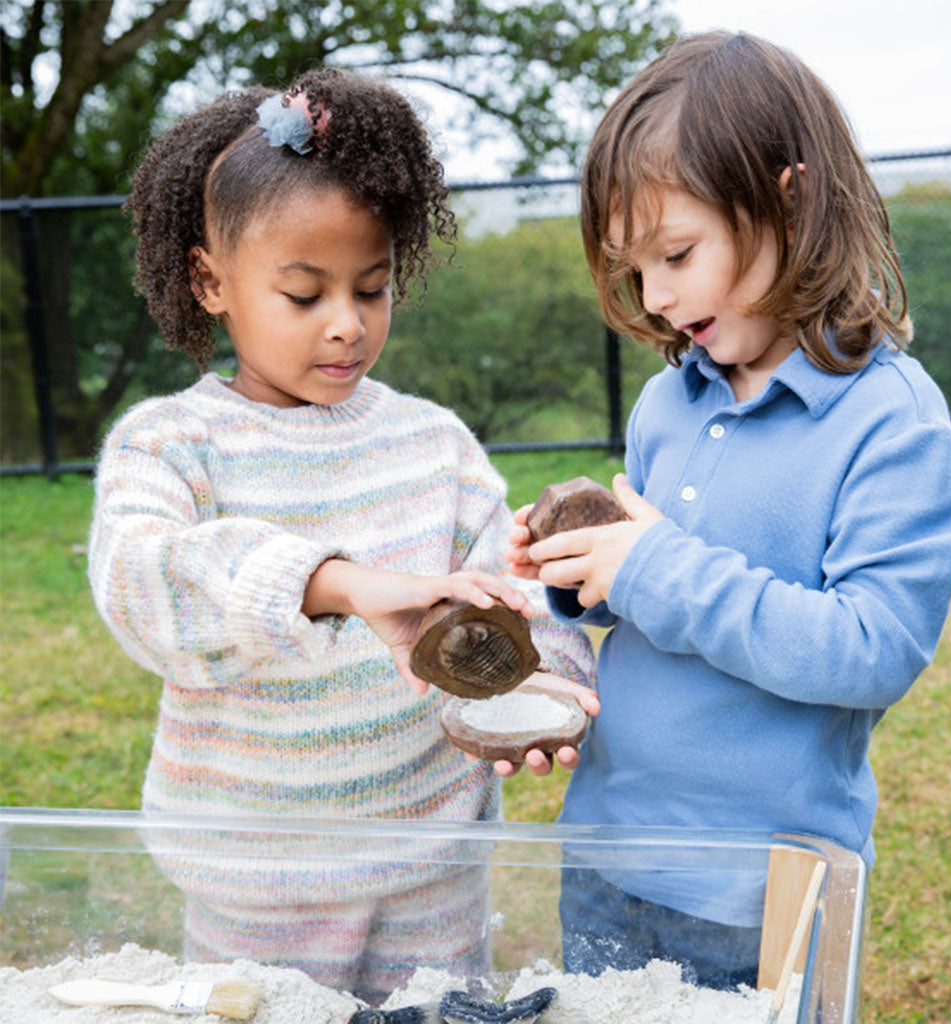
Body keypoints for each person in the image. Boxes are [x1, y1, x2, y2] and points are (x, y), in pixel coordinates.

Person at [88, 67, 596, 1003]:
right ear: (212, 281)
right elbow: (141, 583)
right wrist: (338, 583)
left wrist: (548, 675)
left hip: (430, 859)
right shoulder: (172, 445)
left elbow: (511, 592)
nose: (346, 326)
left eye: (372, 287)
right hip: (253, 879)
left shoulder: (432, 443)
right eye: (304, 294)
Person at [508, 30, 951, 989]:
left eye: (678, 252)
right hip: (605, 853)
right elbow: (649, 596)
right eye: (635, 267)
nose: (656, 293)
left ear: (791, 200)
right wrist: (581, 575)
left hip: (759, 887)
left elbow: (871, 650)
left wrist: (649, 566)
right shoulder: (667, 403)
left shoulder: (893, 428)